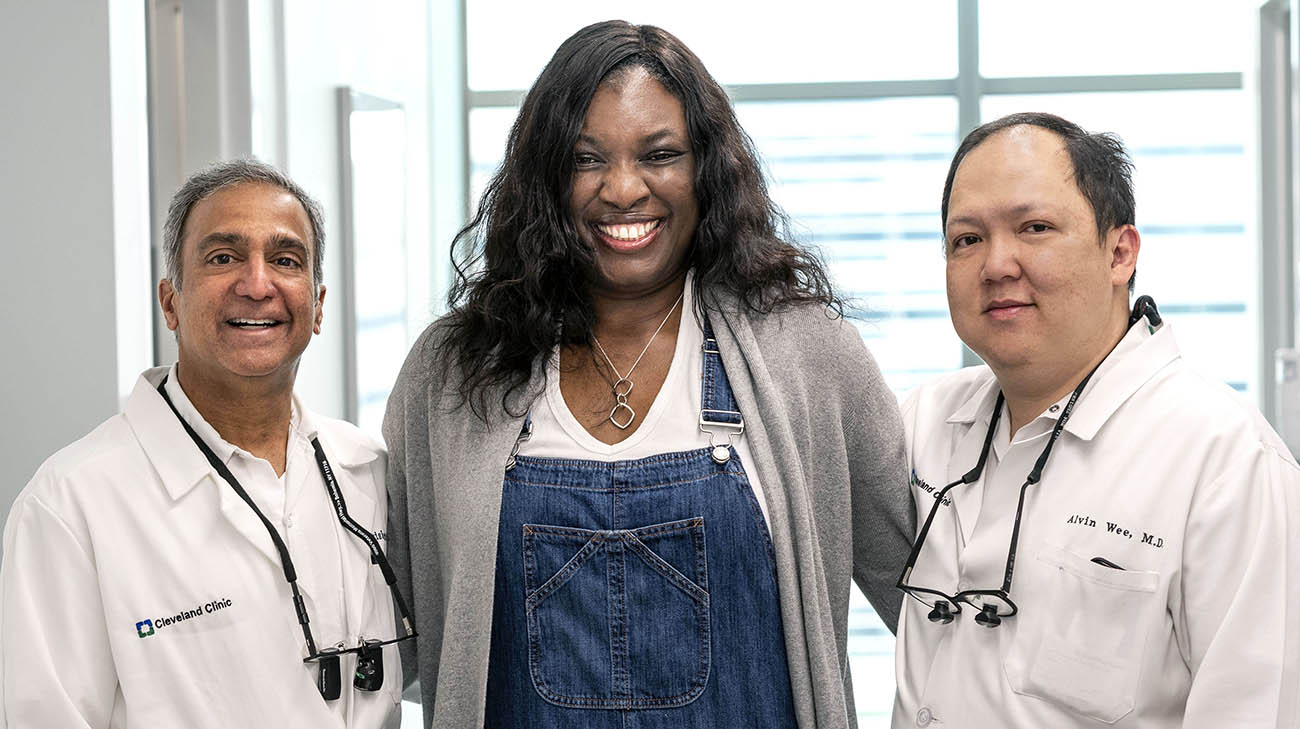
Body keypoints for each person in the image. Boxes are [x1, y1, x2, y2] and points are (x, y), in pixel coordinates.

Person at [384, 20, 912, 729]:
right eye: (585, 159)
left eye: (660, 154)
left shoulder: (809, 354)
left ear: (707, 170)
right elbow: (385, 640)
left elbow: (934, 603)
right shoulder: (450, 376)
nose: (623, 188)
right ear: (545, 179)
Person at [893, 112, 1300, 728]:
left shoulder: (1225, 460)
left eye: (1035, 228)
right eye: (966, 239)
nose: (996, 264)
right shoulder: (921, 423)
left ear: (1120, 252)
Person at [0, 160, 410, 728]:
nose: (258, 284)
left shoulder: (366, 471)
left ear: (316, 306)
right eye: (223, 257)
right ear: (170, 301)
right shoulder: (72, 503)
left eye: (285, 261)